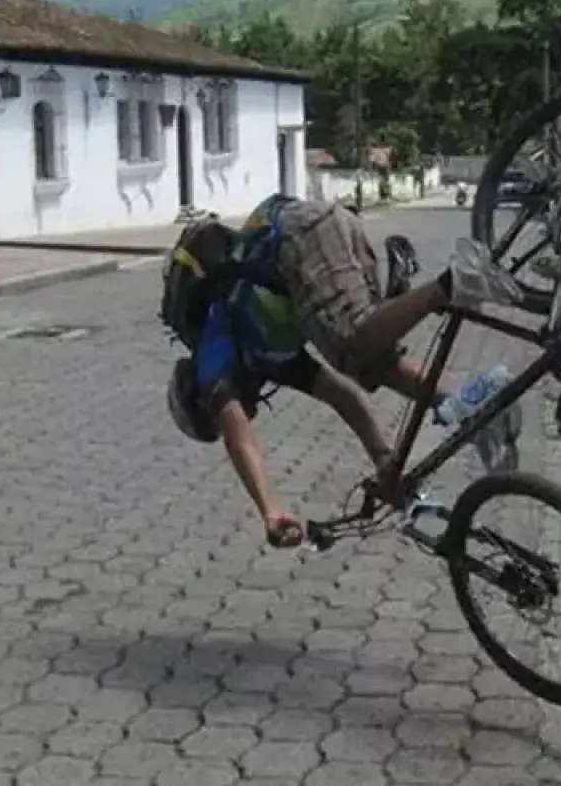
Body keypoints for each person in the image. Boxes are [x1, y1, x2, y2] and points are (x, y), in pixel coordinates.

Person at [161, 193, 523, 549]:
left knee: (350, 343)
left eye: (214, 416)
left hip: (299, 235)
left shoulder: (214, 346)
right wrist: (384, 459)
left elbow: (238, 438)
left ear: (201, 396)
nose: (247, 413)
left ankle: (455, 281)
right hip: (322, 233)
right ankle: (478, 410)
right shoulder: (264, 356)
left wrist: (270, 511)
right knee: (370, 367)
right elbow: (343, 397)